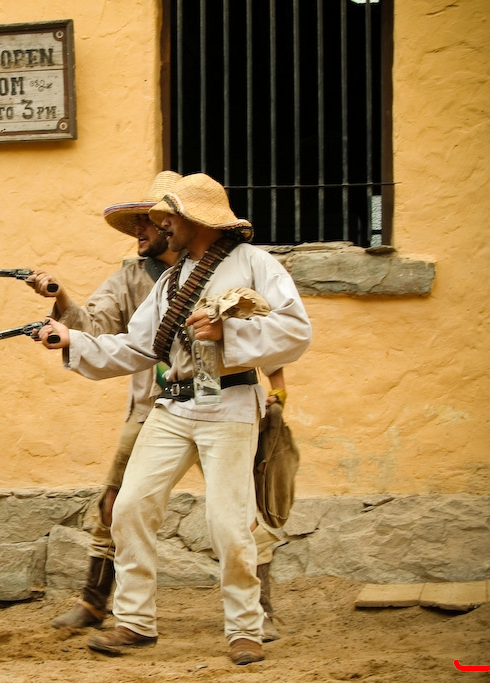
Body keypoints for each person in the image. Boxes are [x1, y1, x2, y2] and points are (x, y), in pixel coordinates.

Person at [36, 173, 311, 665]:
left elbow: (295, 330)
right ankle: (135, 621)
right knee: (130, 507)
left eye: (168, 217)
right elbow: (138, 347)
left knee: (229, 523)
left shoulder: (254, 263)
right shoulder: (170, 281)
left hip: (228, 404)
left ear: (195, 220)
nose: (160, 225)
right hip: (173, 406)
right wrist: (74, 340)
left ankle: (245, 628)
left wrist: (228, 334)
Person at [23, 171, 182, 629]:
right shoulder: (131, 278)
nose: (139, 230)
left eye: (147, 221)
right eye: (137, 222)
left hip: (217, 401)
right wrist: (60, 297)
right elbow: (92, 328)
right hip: (151, 406)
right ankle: (94, 602)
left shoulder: (211, 270)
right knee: (114, 502)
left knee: (240, 505)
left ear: (171, 224)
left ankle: (259, 609)